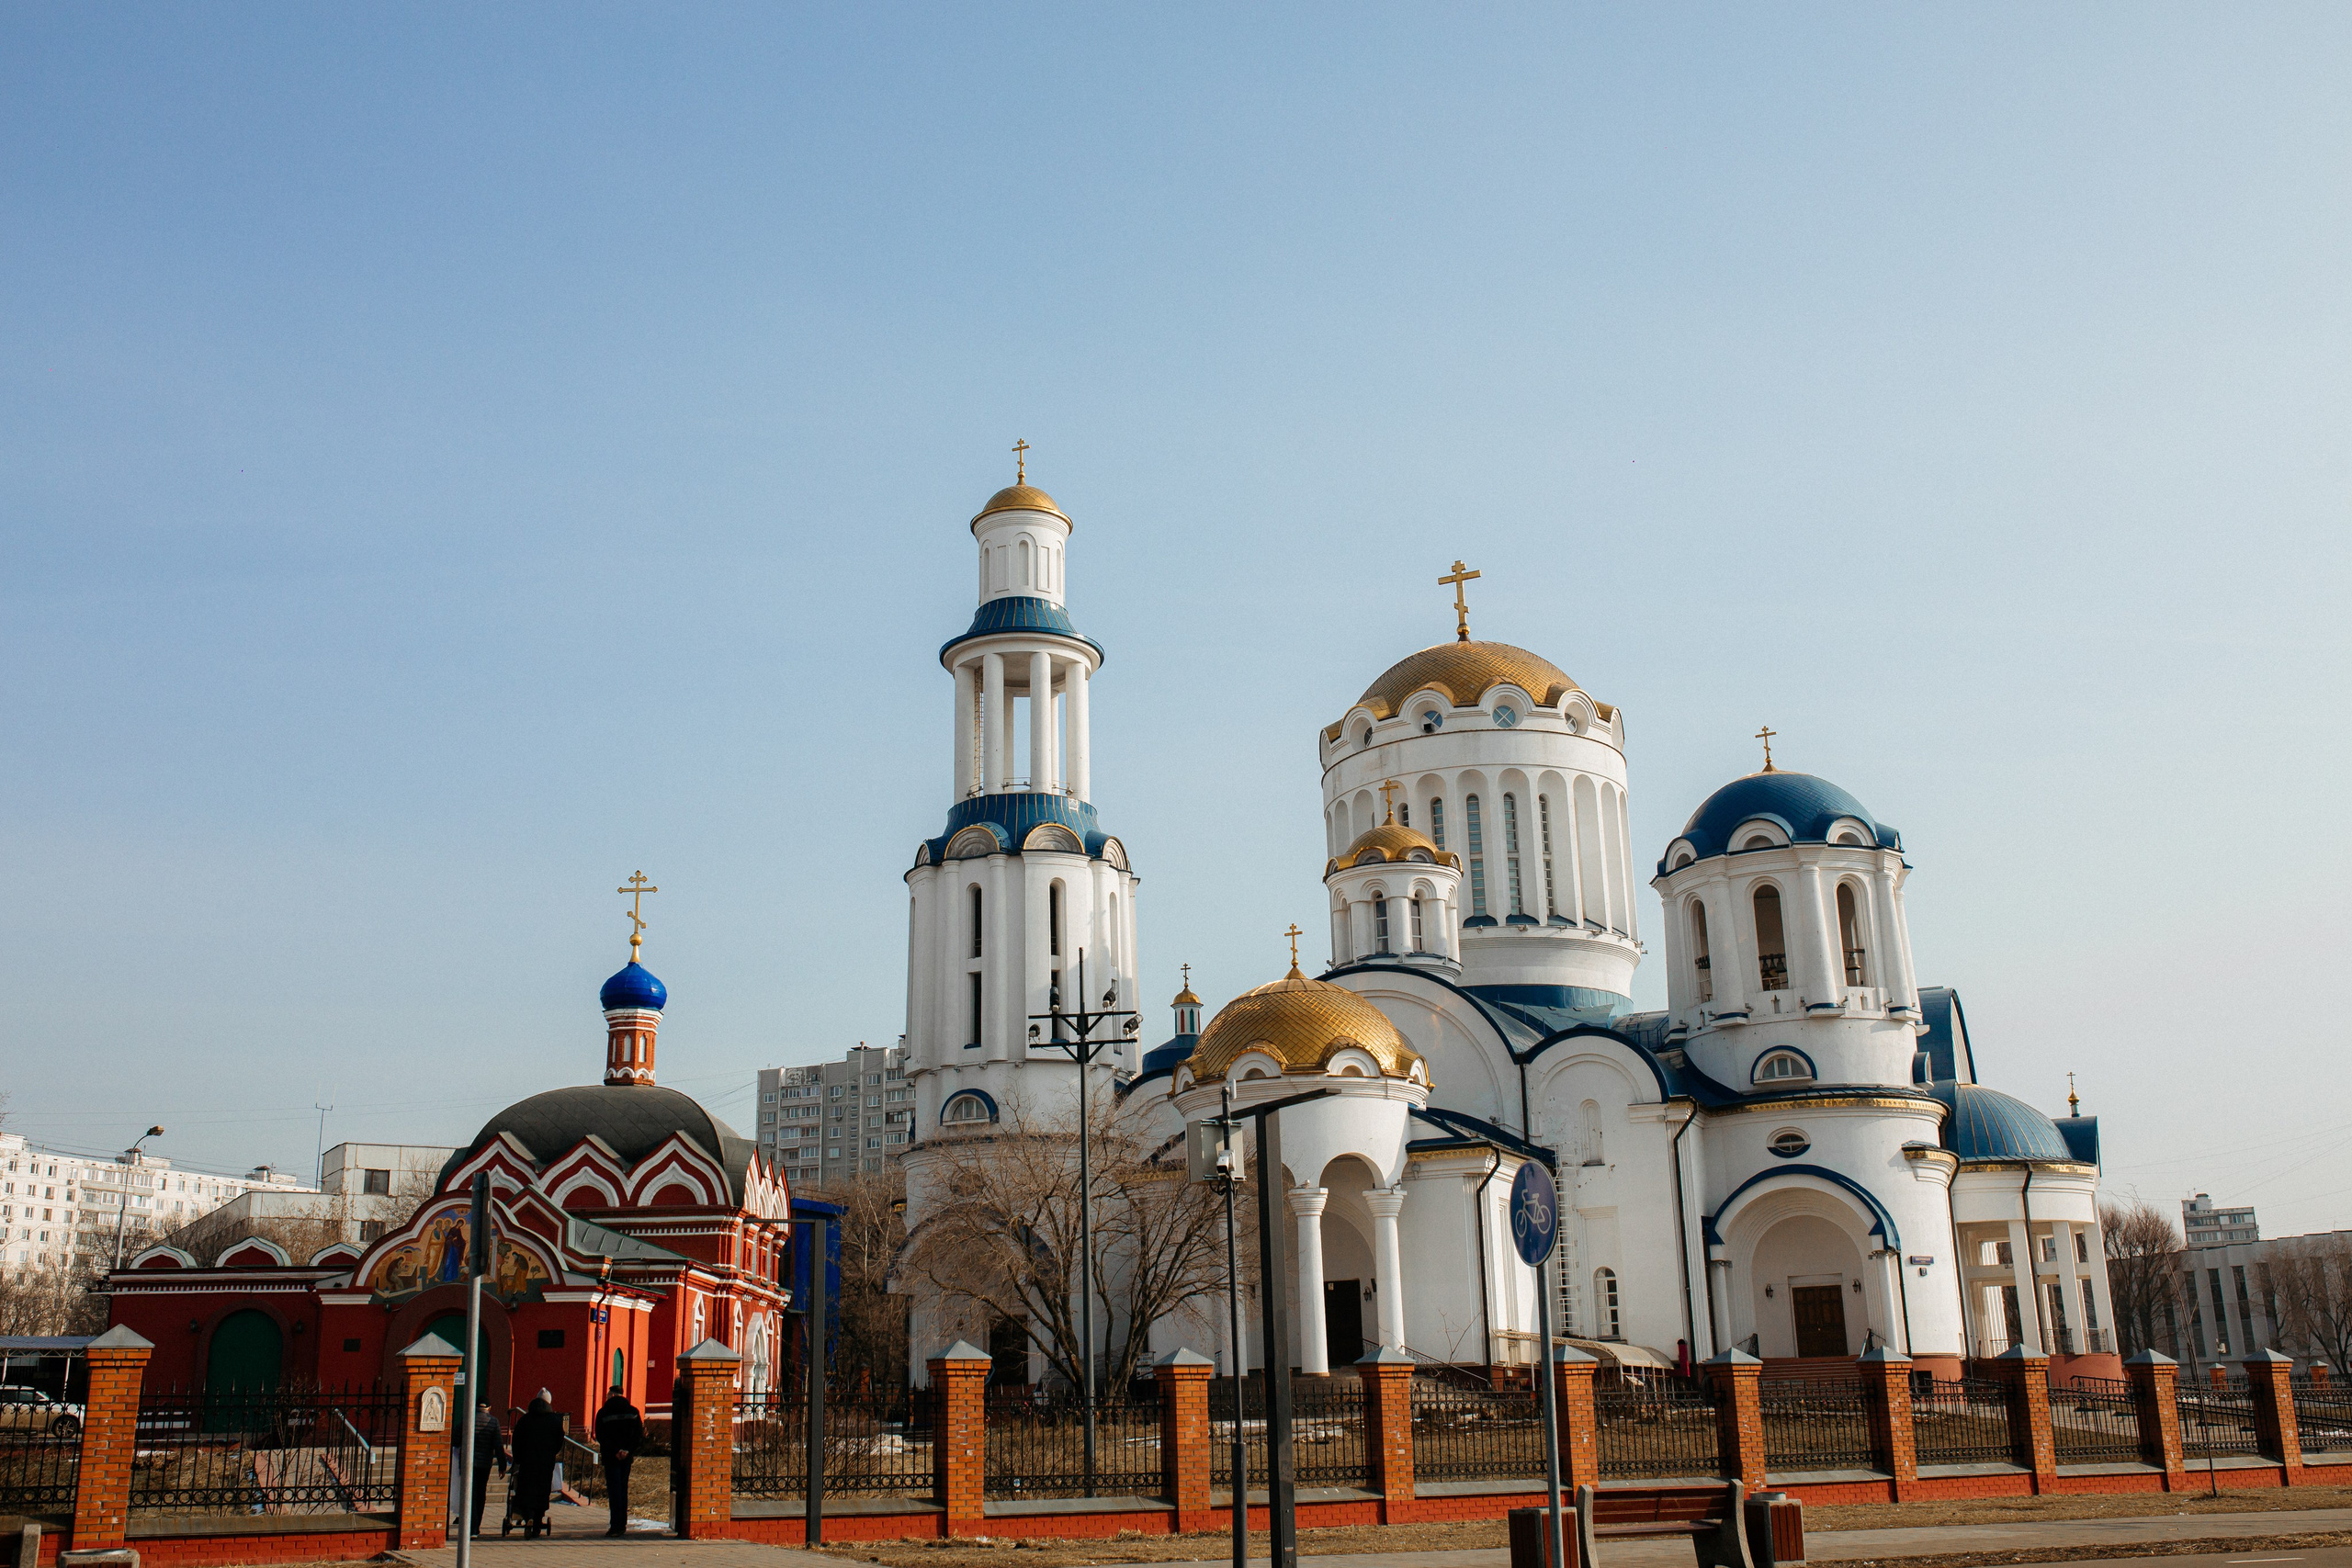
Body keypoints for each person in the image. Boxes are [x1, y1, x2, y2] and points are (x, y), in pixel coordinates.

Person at [505, 1392, 567, 1539]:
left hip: (527, 1463)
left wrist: (518, 1458)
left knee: (526, 1491)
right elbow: (560, 1440)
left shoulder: (525, 1420)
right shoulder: (554, 1421)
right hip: (545, 1464)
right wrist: (551, 1453)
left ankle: (529, 1517)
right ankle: (538, 1522)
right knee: (542, 1492)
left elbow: (517, 1441)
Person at [593, 1383, 647, 1538]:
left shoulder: (603, 1413)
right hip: (626, 1458)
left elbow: (601, 1435)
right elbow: (638, 1435)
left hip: (611, 1457)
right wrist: (627, 1450)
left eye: (608, 1394)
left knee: (614, 1491)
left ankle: (615, 1525)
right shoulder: (633, 1412)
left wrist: (615, 1450)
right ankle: (622, 1523)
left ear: (613, 1395)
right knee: (623, 1490)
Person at [456, 1401, 507, 1537]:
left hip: (467, 1463)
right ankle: (476, 1526)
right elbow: (498, 1445)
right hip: (484, 1464)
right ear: (489, 1407)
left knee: (469, 1494)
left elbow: (455, 1439)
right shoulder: (493, 1422)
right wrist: (502, 1465)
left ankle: (470, 1525)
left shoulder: (467, 1419)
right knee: (480, 1494)